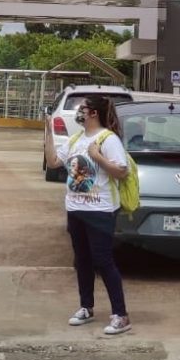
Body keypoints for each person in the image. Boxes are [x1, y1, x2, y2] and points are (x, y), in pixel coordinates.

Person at [45, 92, 133, 336]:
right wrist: (48, 131)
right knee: (81, 260)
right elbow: (53, 162)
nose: (78, 112)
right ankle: (86, 307)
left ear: (93, 113)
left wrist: (97, 157)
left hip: (100, 211)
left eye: (82, 108)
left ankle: (121, 314)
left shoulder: (108, 139)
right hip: (76, 209)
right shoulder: (75, 139)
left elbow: (121, 172)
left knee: (103, 261)